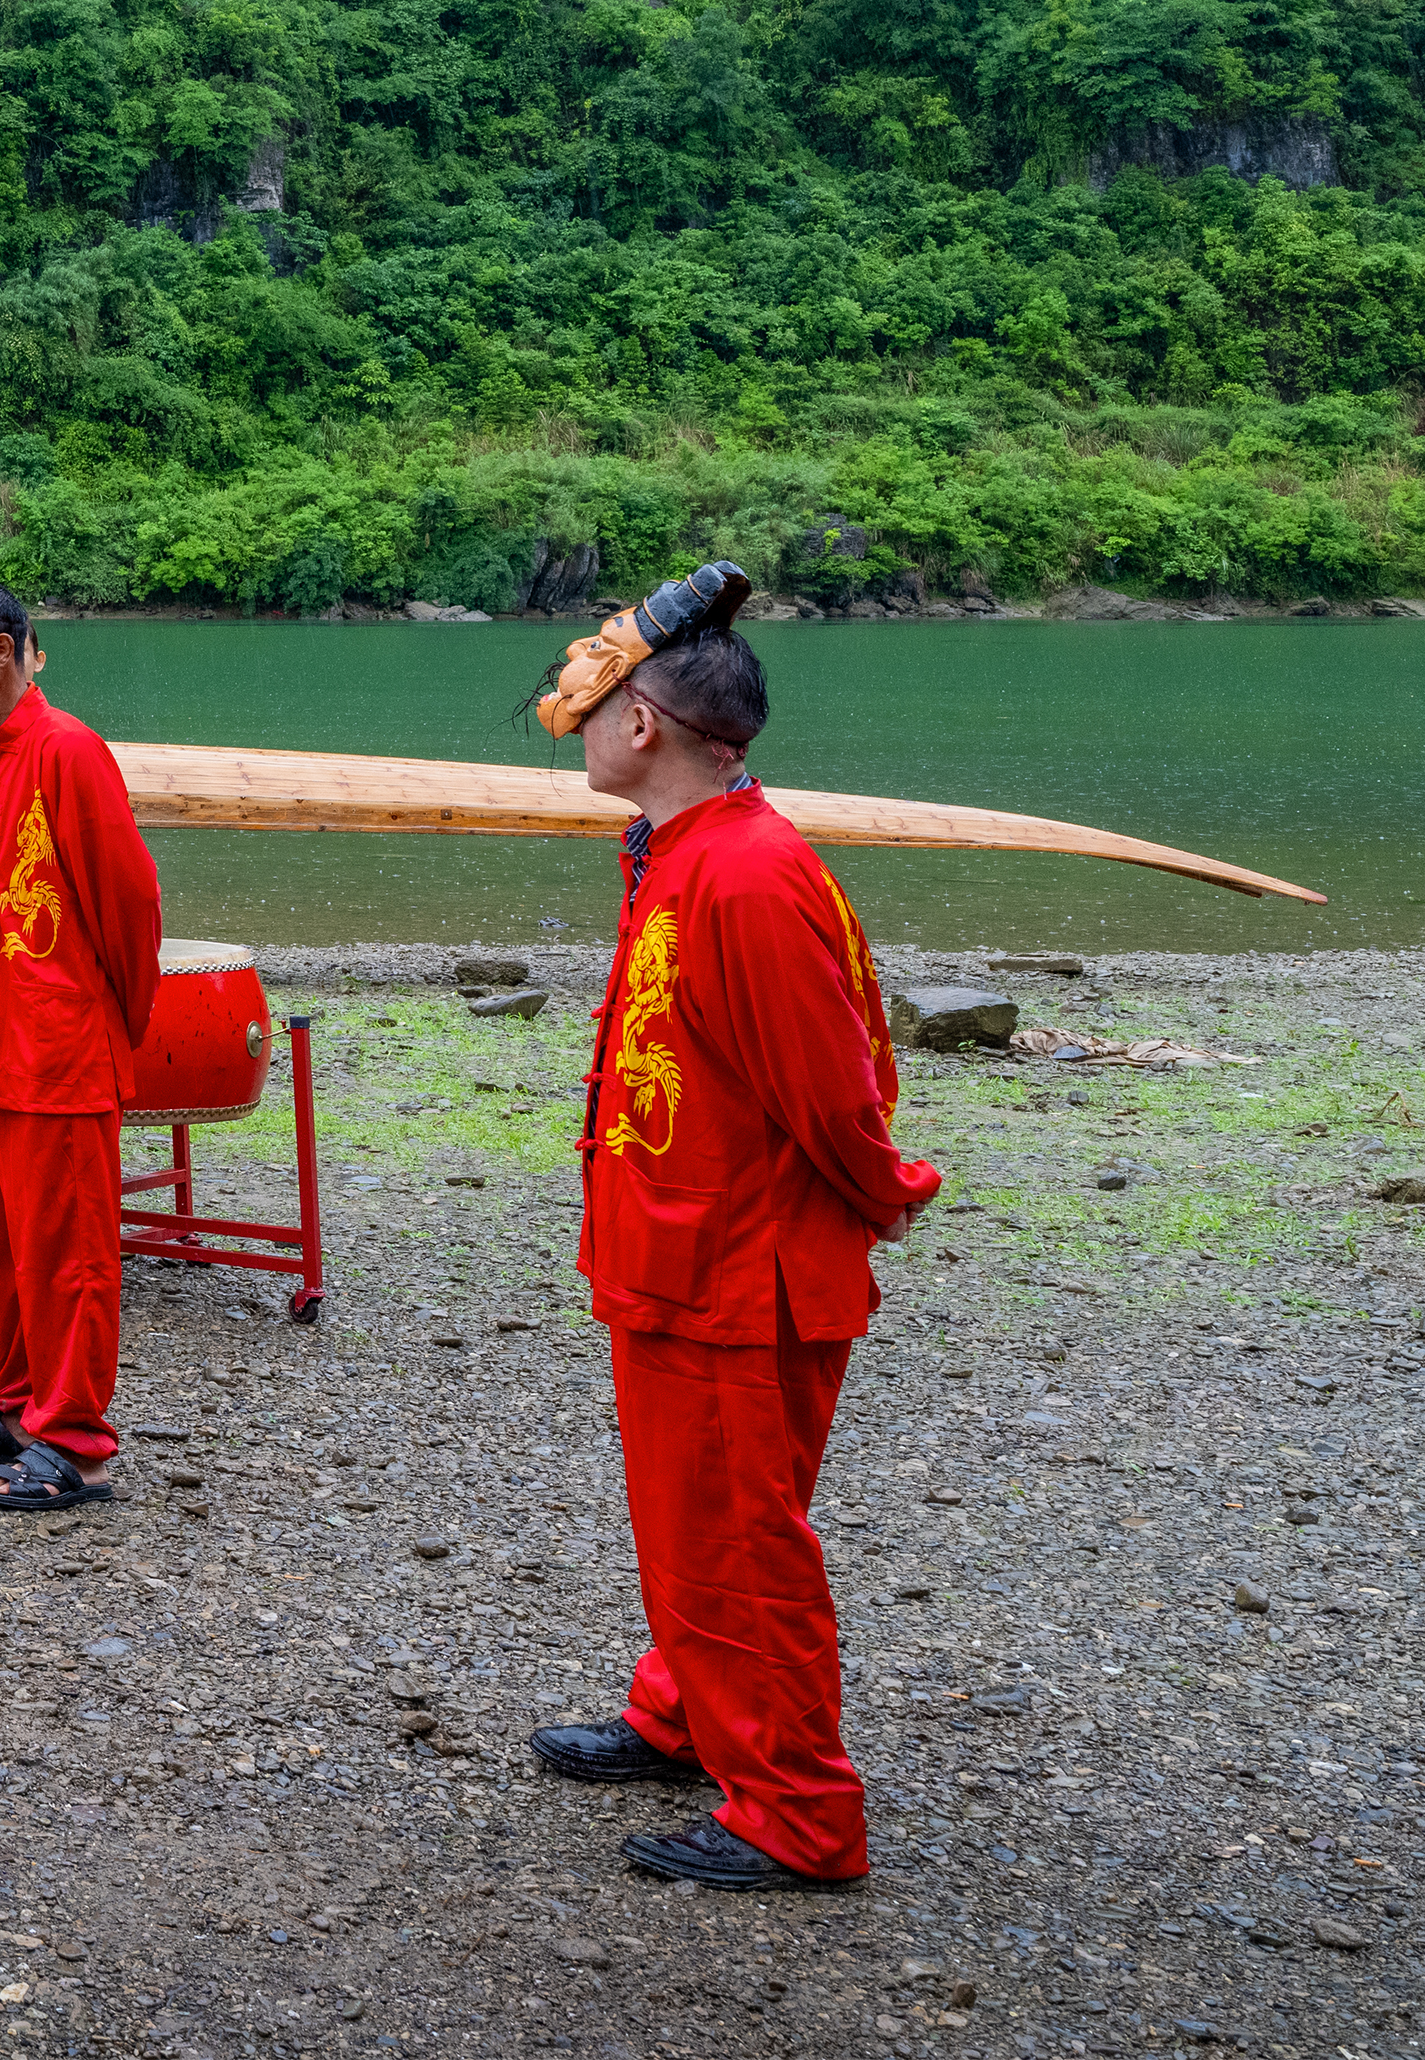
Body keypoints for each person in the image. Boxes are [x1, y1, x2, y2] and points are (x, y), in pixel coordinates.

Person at [530, 575, 939, 1892]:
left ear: (643, 724)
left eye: (596, 705)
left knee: (741, 1547)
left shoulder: (746, 876)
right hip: (680, 1247)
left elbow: (831, 1083)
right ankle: (686, 1715)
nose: (580, 725)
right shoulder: (684, 850)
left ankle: (799, 1812)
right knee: (694, 1529)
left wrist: (887, 1188)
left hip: (735, 1269)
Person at [0, 577, 162, 1514]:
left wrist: (101, 1026)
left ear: (2, 649)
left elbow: (129, 905)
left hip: (56, 1043)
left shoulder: (67, 750)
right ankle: (20, 1405)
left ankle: (78, 1442)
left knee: (68, 1250)